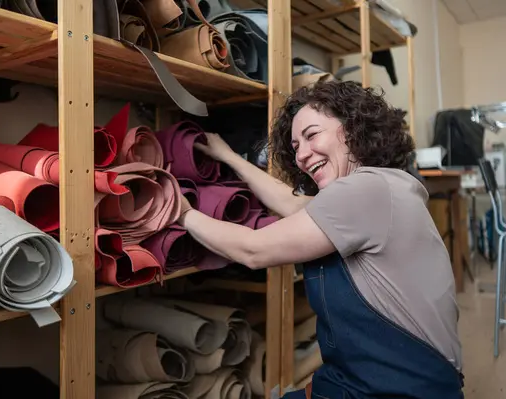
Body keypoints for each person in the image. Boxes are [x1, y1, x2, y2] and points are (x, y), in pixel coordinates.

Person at [177, 80, 464, 399]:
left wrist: (181, 212)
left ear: (352, 129)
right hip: (377, 380)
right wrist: (228, 156)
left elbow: (253, 250)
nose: (301, 155)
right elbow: (290, 202)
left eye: (312, 135)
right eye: (296, 146)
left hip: (402, 387)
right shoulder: (380, 189)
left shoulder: (364, 191)